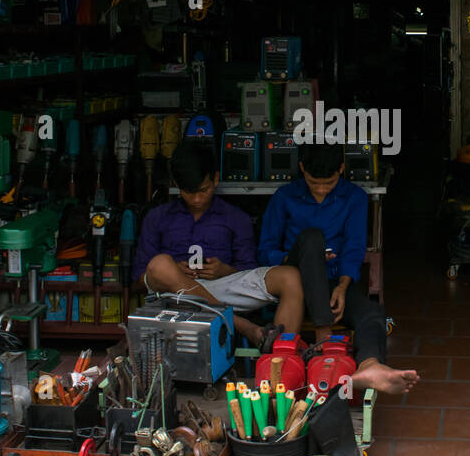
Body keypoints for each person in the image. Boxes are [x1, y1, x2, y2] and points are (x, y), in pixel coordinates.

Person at [258, 142, 419, 395]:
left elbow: (355, 248)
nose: (321, 190)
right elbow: (266, 250)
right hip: (294, 286)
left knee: (372, 314)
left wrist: (343, 287)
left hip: (333, 283)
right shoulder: (285, 196)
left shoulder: (354, 197)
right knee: (311, 239)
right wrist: (297, 256)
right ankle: (324, 335)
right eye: (314, 183)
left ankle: (370, 367)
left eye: (329, 183)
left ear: (341, 169)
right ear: (302, 169)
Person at [133, 142, 301, 349]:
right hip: (174, 294)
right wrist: (174, 273)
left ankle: (281, 358)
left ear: (215, 178)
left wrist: (225, 271)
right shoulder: (157, 218)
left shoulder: (236, 218)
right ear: (176, 183)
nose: (196, 199)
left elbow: (249, 270)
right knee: (161, 264)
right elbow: (139, 282)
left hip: (224, 287)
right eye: (188, 192)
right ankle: (245, 328)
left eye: (203, 190)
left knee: (290, 276)